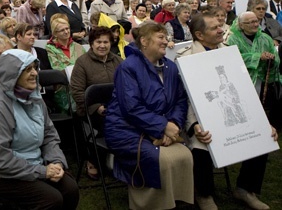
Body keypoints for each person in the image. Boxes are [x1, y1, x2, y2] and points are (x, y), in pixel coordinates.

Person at [178, 13, 279, 210]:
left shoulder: (230, 52)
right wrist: (194, 125)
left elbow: (243, 88)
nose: (221, 31)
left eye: (220, 26)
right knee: (202, 143)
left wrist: (262, 120)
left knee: (263, 135)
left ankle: (245, 189)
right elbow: (183, 99)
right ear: (199, 34)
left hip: (232, 107)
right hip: (197, 118)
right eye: (215, 28)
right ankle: (204, 193)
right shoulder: (185, 58)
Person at [0, 49, 80, 210]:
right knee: (51, 199)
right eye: (27, 69)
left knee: (70, 190)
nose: (35, 74)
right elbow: (0, 160)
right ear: (12, 74)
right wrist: (43, 172)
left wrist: (56, 162)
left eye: (34, 68)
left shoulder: (34, 96)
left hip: (32, 163)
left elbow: (49, 135)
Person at [105, 22, 193, 209]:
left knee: (185, 156)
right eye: (160, 37)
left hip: (160, 126)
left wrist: (173, 125)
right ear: (144, 41)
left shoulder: (170, 67)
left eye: (166, 37)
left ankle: (179, 202)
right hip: (125, 129)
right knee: (159, 159)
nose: (166, 41)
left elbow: (180, 100)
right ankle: (153, 205)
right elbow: (131, 108)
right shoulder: (128, 67)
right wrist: (162, 128)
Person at [69, 26, 122, 180]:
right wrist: (95, 107)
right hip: (91, 110)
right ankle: (94, 159)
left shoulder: (118, 60)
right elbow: (77, 92)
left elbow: (128, 85)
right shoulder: (82, 63)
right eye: (98, 42)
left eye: (106, 42)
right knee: (112, 125)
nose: (102, 45)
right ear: (91, 43)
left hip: (117, 107)